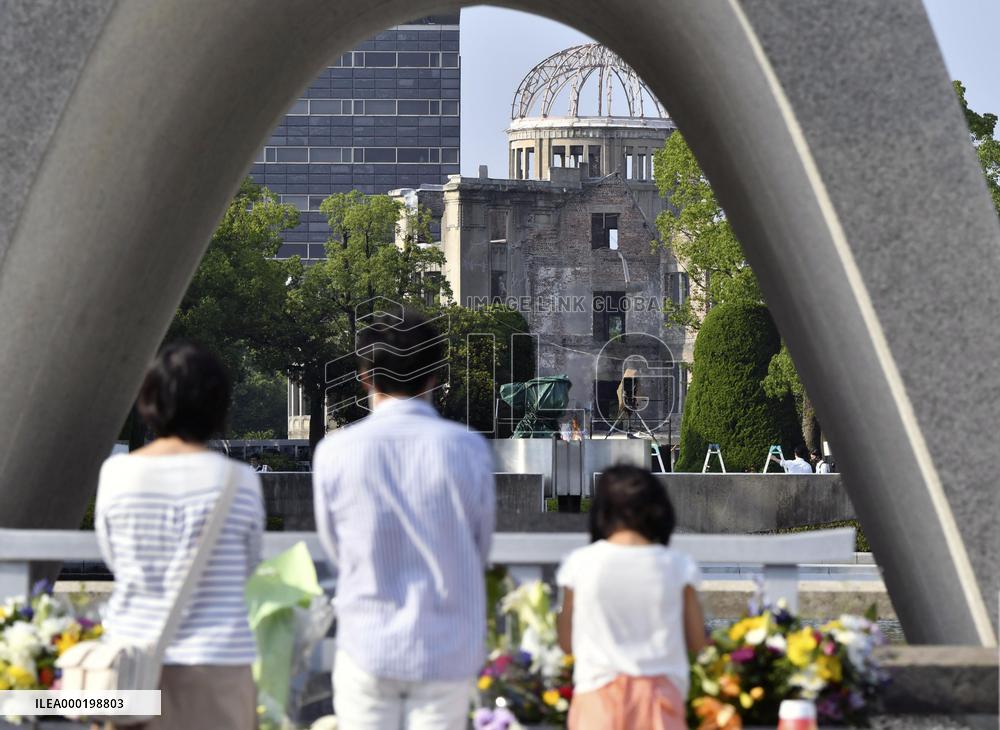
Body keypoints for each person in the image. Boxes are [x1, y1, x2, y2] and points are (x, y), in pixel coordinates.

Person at [312, 308, 496, 730]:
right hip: (446, 646)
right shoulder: (467, 449)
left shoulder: (336, 452)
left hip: (367, 643)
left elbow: (336, 548)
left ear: (365, 378)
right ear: (435, 377)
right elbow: (478, 545)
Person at [94, 343, 264, 729]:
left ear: (150, 398)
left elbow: (114, 559)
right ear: (218, 403)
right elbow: (249, 566)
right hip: (218, 662)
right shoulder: (240, 482)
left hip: (130, 664)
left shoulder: (117, 474)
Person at [556, 465, 707, 730]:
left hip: (597, 696)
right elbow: (696, 642)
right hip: (660, 698)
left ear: (601, 511)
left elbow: (566, 643)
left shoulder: (580, 564)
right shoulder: (677, 566)